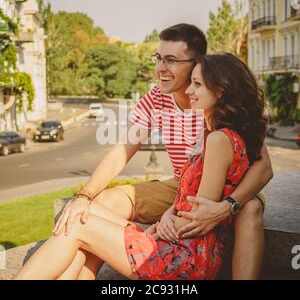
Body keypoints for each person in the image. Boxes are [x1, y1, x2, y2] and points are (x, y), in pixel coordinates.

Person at [19, 24, 273, 280]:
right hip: (181, 185)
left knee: (250, 207)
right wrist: (85, 196)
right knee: (94, 207)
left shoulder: (218, 113)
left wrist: (227, 206)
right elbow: (122, 150)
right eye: (158, 58)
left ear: (198, 64)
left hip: (221, 194)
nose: (160, 68)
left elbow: (263, 168)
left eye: (171, 60)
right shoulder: (157, 98)